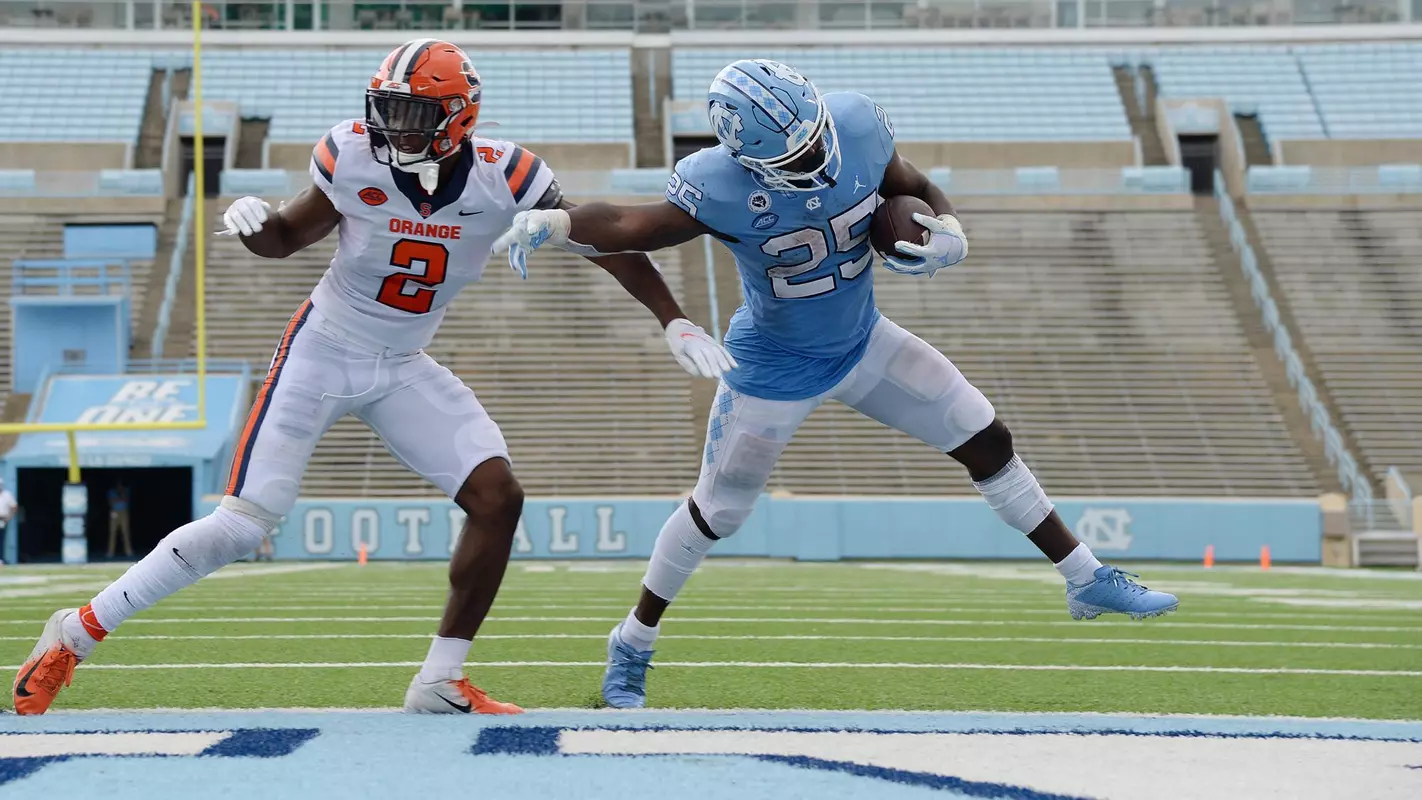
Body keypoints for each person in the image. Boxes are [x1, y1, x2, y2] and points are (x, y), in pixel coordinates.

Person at [12, 39, 734, 717]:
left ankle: (439, 680)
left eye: (413, 112)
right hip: (322, 349)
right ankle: (75, 632)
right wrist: (255, 224)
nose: (395, 125)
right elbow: (288, 238)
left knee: (497, 497)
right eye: (387, 108)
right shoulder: (353, 156)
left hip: (402, 363)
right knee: (242, 524)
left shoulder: (505, 175)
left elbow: (599, 240)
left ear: (458, 117)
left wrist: (671, 317)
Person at [496, 58, 1180, 709]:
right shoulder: (722, 184)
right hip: (774, 365)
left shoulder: (853, 123)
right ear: (748, 161)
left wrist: (950, 229)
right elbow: (627, 224)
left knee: (983, 433)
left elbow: (910, 182)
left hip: (863, 340)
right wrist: (557, 221)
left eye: (816, 138)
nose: (818, 159)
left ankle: (1086, 578)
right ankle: (633, 640)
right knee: (719, 511)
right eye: (794, 157)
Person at [106, 481, 133, 559]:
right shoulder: (111, 492)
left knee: (125, 532)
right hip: (114, 512)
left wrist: (120, 496)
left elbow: (125, 499)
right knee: (112, 532)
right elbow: (112, 501)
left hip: (124, 511)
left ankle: (128, 551)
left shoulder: (126, 490)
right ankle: (110, 552)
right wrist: (119, 499)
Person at [0, 479, 16, 565]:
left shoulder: (7, 495)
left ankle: (1, 559)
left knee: (1, 539)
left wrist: (9, 517)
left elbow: (14, 506)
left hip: (2, 519)